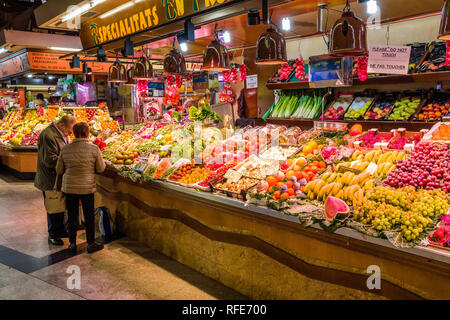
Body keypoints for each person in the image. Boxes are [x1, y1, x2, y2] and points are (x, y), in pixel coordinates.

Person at [56, 122, 106, 254]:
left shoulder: (65, 149)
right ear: (87, 133)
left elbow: (59, 170)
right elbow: (101, 168)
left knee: (72, 216)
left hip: (69, 187)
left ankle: (72, 244)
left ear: (74, 133)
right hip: (87, 186)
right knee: (88, 216)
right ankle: (90, 243)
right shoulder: (94, 149)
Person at [35, 115, 76, 246]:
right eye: (69, 131)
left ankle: (60, 230)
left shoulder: (59, 133)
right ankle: (53, 234)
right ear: (62, 125)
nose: (70, 134)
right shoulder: (48, 135)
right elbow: (49, 160)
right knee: (53, 206)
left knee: (60, 205)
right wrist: (68, 162)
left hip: (57, 177)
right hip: (50, 178)